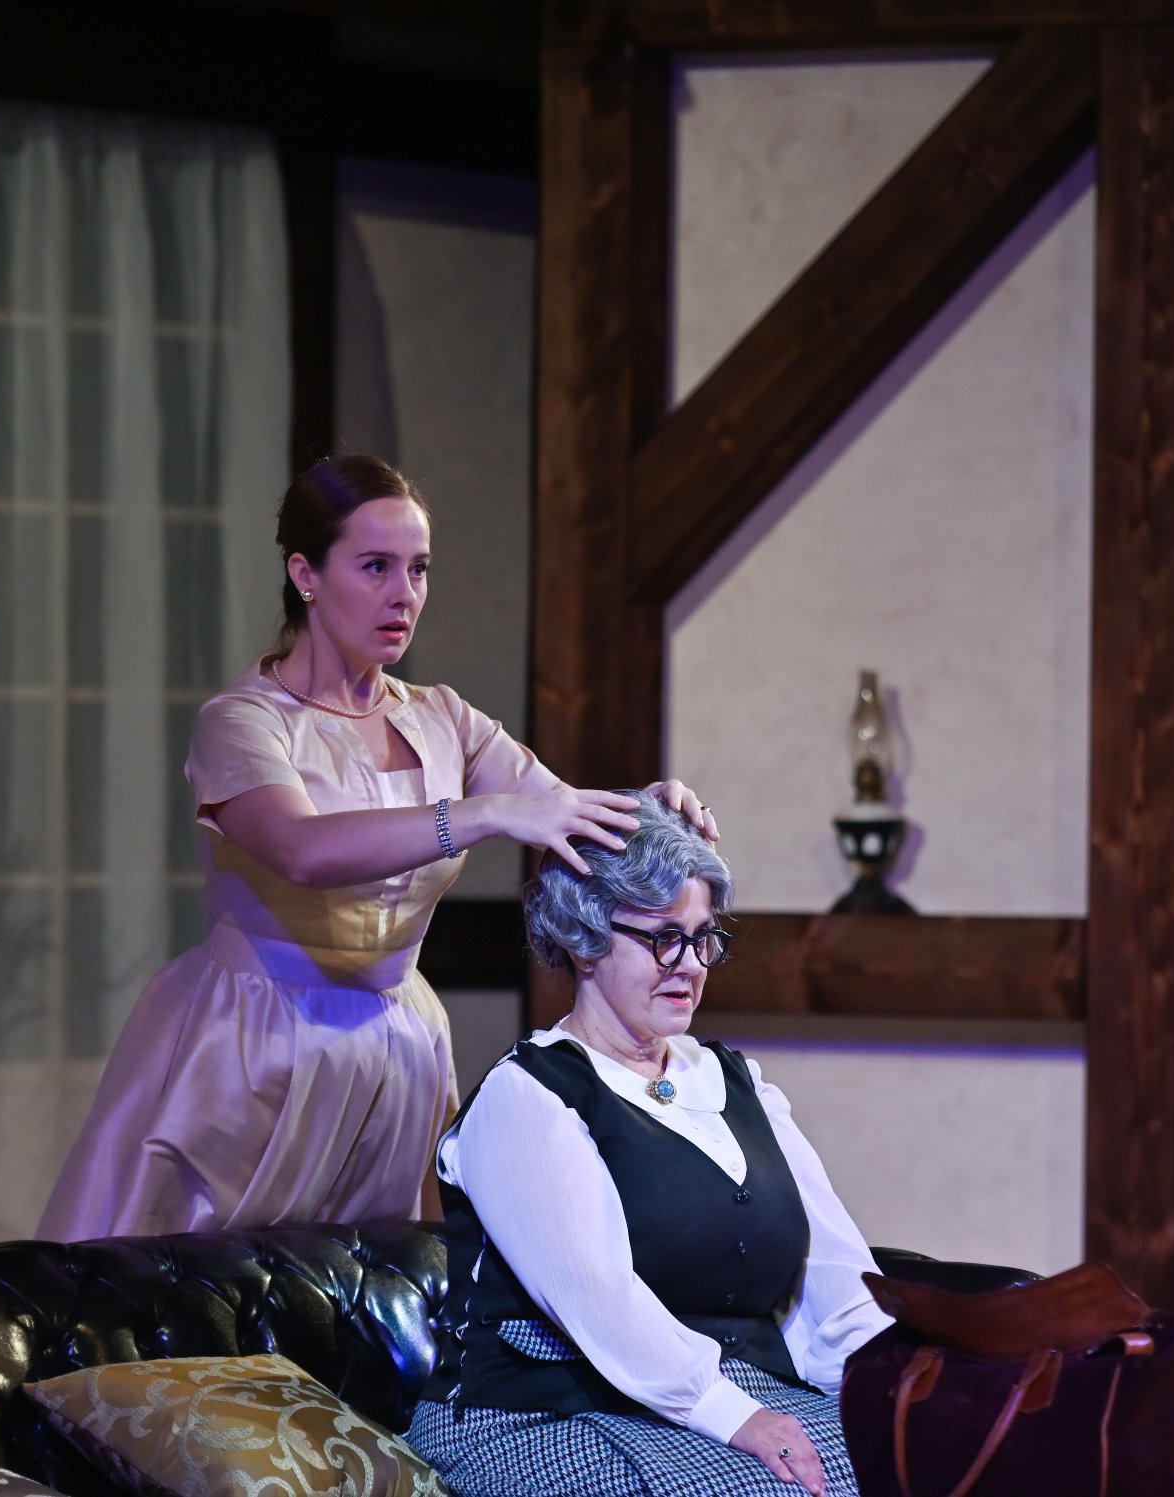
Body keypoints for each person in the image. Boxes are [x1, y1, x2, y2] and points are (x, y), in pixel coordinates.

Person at [40, 456, 714, 1240]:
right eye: (375, 567)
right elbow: (301, 850)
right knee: (196, 1285)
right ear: (305, 574)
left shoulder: (443, 718)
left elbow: (566, 818)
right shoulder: (244, 722)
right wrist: (477, 813)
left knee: (372, 1288)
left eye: (418, 569)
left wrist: (649, 811)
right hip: (256, 1040)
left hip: (396, 1048)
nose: (404, 594)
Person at [406, 791, 889, 1497]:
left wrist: (897, 1384)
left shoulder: (737, 1083)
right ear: (584, 938)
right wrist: (736, 1416)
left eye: (703, 937)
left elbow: (836, 1271)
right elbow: (597, 1299)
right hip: (542, 1412)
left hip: (727, 1394)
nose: (689, 964)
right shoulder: (528, 1095)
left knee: (920, 1458)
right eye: (663, 937)